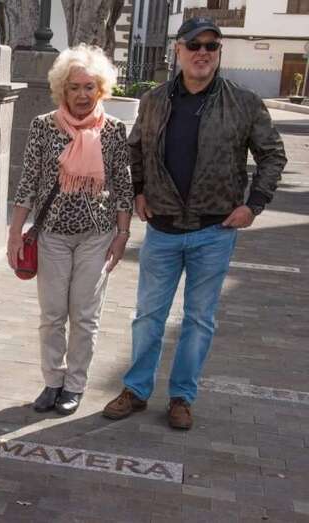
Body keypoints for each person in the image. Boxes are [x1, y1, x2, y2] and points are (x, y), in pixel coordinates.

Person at [102, 17, 287, 429]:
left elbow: (273, 155)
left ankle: (182, 397)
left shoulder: (243, 102)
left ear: (219, 52)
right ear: (179, 50)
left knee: (199, 320)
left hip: (214, 231)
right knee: (148, 316)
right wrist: (138, 192)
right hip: (163, 230)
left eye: (211, 46)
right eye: (195, 45)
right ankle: (136, 390)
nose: (203, 52)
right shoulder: (154, 100)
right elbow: (135, 151)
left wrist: (254, 205)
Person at [8, 44, 134, 416]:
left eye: (89, 87)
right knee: (52, 315)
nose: (82, 94)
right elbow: (28, 181)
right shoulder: (43, 126)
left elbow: (123, 186)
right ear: (62, 89)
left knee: (84, 315)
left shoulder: (113, 130)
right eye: (74, 87)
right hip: (52, 235)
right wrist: (15, 232)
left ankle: (75, 385)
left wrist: (122, 235)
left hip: (97, 236)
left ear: (101, 89)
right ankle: (52, 382)